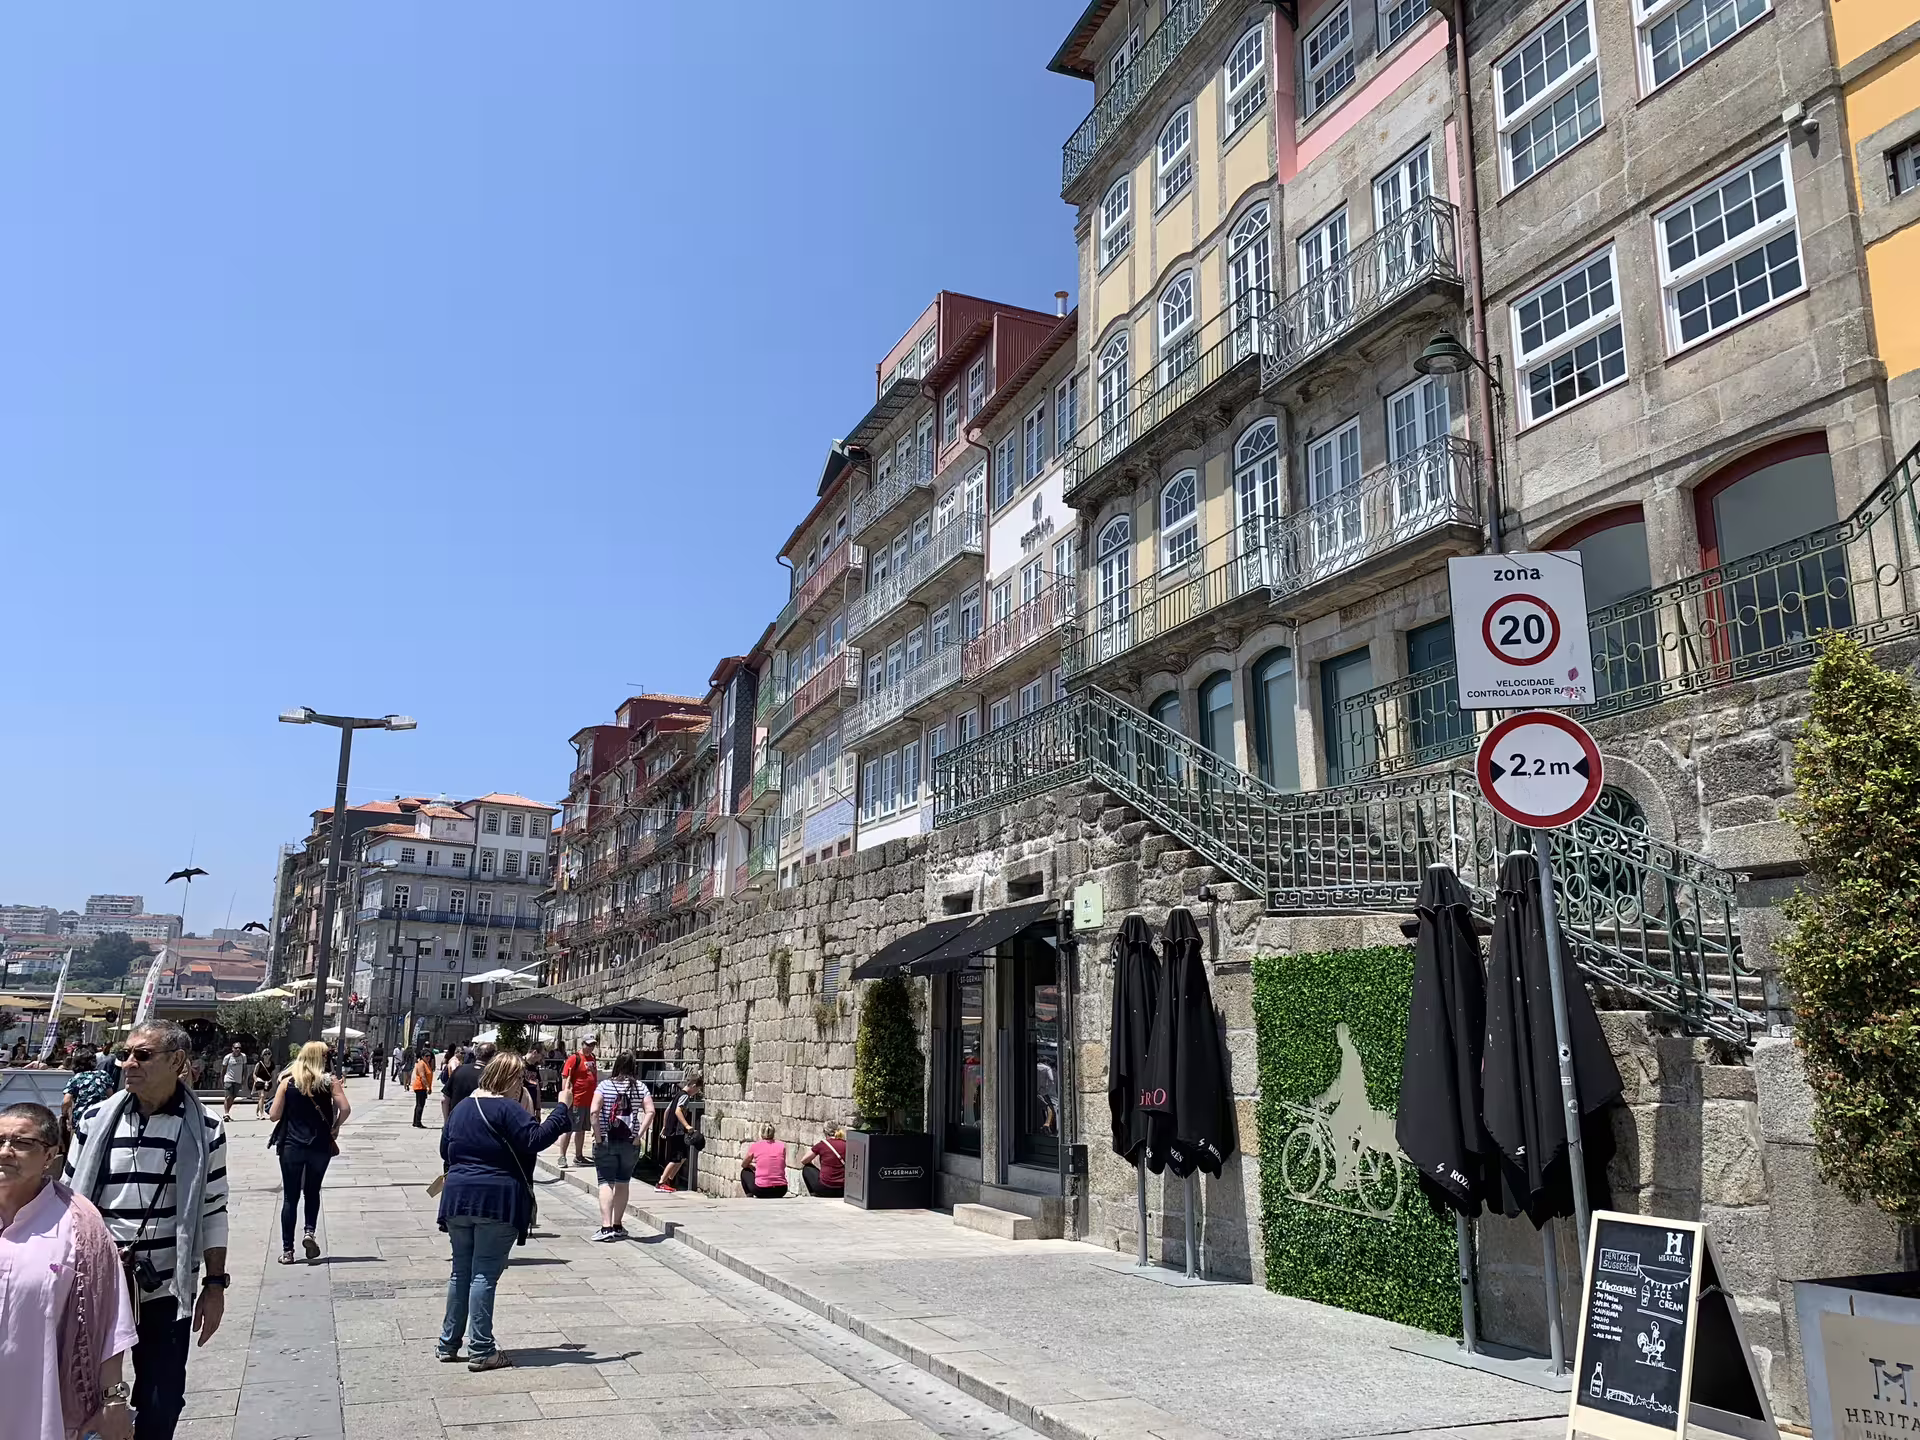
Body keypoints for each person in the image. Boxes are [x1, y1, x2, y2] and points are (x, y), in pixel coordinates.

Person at [64, 1021, 229, 1440]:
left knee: (164, 1394)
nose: (128, 1063)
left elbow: (212, 1209)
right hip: (98, 1284)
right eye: (126, 1054)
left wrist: (214, 1285)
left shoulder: (205, 1127)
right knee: (86, 1388)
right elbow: (68, 1202)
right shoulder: (95, 1118)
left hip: (165, 1285)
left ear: (177, 1062)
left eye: (142, 1055)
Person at [0, 1102, 140, 1440]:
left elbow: (109, 1322)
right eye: (0, 1140)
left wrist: (113, 1403)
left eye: (22, 1143)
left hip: (39, 1407)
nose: (5, 1151)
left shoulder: (79, 1226)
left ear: (50, 1155)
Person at [436, 1053, 571, 1371]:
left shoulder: (461, 1109)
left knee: (460, 1272)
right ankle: (481, 1348)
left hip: (457, 1198)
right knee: (483, 1273)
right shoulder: (507, 1108)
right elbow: (534, 1139)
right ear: (511, 1080)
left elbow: (445, 1149)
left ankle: (448, 1343)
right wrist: (562, 1107)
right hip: (495, 1200)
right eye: (521, 1080)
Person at [267, 1041, 349, 1265]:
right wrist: (335, 1126)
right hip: (320, 1146)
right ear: (319, 1058)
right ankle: (309, 1232)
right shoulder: (330, 1082)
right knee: (312, 1191)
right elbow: (345, 1108)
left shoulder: (287, 1083)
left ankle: (287, 1251)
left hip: (291, 1146)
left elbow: (274, 1115)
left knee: (290, 1198)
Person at [591, 1051, 653, 1241]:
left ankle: (606, 1227)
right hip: (630, 1142)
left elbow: (594, 1111)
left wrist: (599, 1136)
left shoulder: (604, 1086)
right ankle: (618, 1224)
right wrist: (638, 1136)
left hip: (607, 1140)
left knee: (605, 1182)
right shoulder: (640, 1087)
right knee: (623, 1182)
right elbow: (650, 1112)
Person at [655, 1074, 703, 1194]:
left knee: (682, 1157)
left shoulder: (677, 1094)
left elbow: (667, 1110)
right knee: (676, 1158)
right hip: (677, 1131)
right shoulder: (685, 1096)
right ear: (692, 1085)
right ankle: (661, 1183)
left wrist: (665, 1126)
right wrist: (687, 1126)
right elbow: (677, 1111)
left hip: (672, 1130)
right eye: (697, 1089)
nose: (696, 1092)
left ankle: (670, 1180)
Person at [60, 1047, 113, 1152]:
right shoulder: (103, 1075)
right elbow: (111, 1097)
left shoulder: (76, 1078)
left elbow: (66, 1101)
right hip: (101, 1116)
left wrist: (65, 1115)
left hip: (81, 1118)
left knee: (78, 1148)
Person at [558, 1036, 599, 1169]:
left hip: (589, 1100)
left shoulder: (592, 1058)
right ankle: (562, 1156)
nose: (591, 1047)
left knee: (582, 1129)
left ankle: (579, 1156)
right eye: (588, 1044)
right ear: (582, 1044)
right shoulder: (574, 1058)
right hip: (576, 1100)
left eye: (593, 1045)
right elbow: (565, 1077)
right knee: (569, 1128)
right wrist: (566, 1097)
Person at [739, 1123, 788, 1199]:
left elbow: (744, 1165)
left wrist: (750, 1166)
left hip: (761, 1190)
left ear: (761, 1133)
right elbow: (782, 1165)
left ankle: (749, 1196)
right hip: (781, 1190)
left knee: (745, 1172)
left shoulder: (755, 1146)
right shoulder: (782, 1146)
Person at [441, 1044, 487, 1122]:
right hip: (479, 1120)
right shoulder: (491, 1074)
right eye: (462, 1053)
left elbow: (444, 1100)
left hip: (457, 1118)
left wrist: (446, 1122)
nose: (463, 1055)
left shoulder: (460, 1070)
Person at [801, 1123, 846, 1198]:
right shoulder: (846, 1144)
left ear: (825, 1132)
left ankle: (814, 1193)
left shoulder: (822, 1145)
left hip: (824, 1189)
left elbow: (804, 1160)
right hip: (843, 1190)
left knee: (807, 1168)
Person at [217, 1044, 248, 1122]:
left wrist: (244, 1079)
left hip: (238, 1080)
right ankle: (226, 1113)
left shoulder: (243, 1057)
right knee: (228, 1096)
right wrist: (222, 1080)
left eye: (239, 1048)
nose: (237, 1049)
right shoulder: (228, 1057)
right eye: (236, 1048)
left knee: (233, 1097)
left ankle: (227, 1112)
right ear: (232, 1048)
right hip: (228, 1079)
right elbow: (223, 1070)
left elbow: (245, 1069)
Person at [410, 1048, 435, 1129]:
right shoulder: (421, 1064)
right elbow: (423, 1076)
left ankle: (415, 1122)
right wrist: (427, 1087)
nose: (428, 1057)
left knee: (420, 1104)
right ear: (422, 1056)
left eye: (429, 1056)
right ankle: (418, 1122)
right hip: (420, 1086)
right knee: (420, 1104)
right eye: (426, 1056)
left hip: (423, 1087)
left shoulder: (426, 1063)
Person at [250, 1052, 274, 1119]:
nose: (267, 1056)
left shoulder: (272, 1064)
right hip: (260, 1081)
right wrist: (256, 1080)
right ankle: (262, 1114)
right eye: (265, 1054)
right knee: (262, 1096)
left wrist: (272, 1080)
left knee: (262, 1098)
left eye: (268, 1054)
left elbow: (272, 1073)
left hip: (268, 1082)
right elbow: (254, 1073)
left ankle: (257, 1111)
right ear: (262, 1056)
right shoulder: (259, 1064)